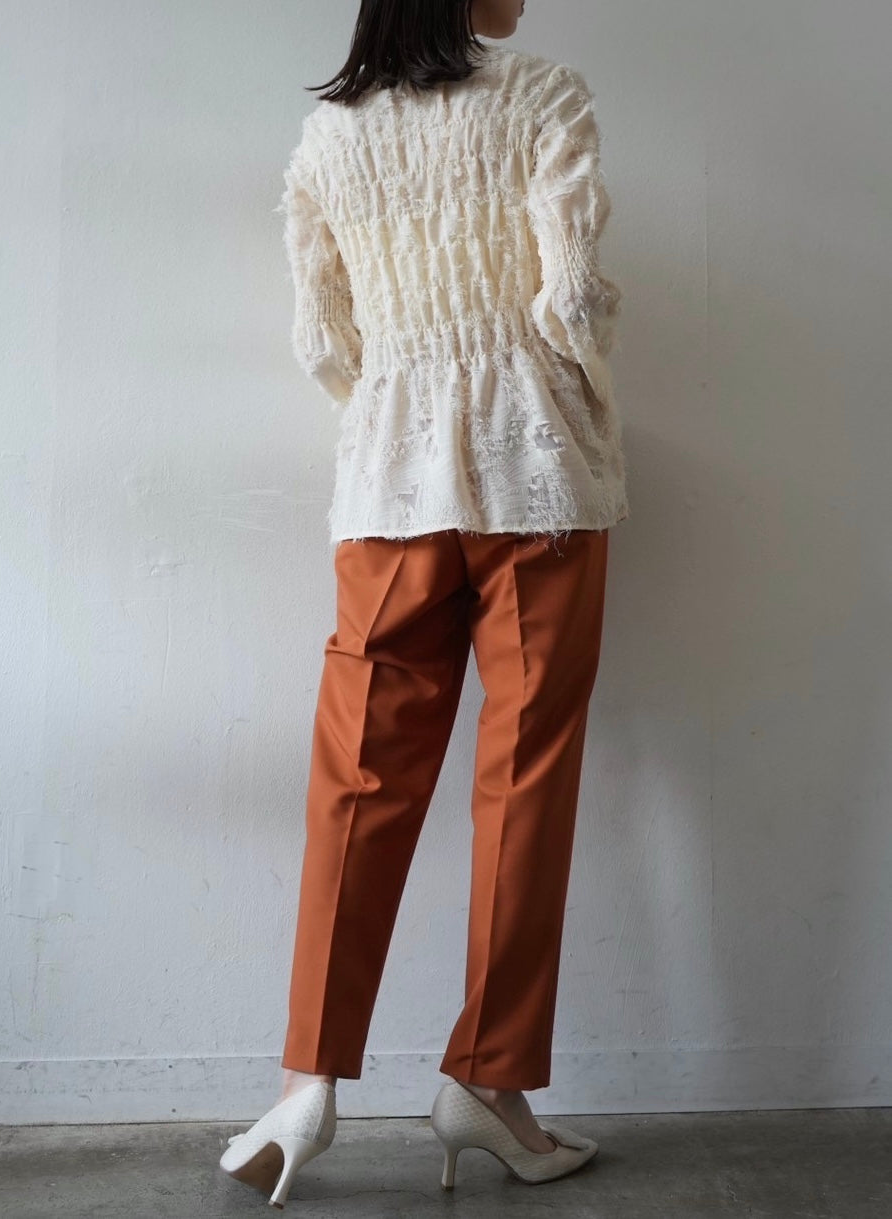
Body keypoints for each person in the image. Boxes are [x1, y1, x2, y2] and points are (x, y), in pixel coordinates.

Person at [220, 0, 629, 1204]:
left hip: (387, 482)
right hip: (537, 474)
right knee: (526, 770)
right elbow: (573, 303)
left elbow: (322, 340)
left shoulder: (329, 138)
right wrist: (567, 398)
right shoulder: (543, 96)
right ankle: (490, 1083)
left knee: (360, 772)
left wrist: (405, 402)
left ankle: (306, 1083)